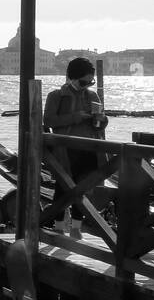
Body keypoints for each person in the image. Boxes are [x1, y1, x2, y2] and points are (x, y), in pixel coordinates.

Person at [44, 57, 107, 236]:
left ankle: (76, 228)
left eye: (90, 81)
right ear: (72, 77)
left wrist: (101, 120)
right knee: (63, 186)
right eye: (83, 81)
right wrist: (76, 116)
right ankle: (58, 226)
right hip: (65, 150)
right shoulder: (56, 96)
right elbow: (48, 120)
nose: (87, 85)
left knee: (85, 187)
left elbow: (102, 123)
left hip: (89, 149)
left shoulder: (92, 96)